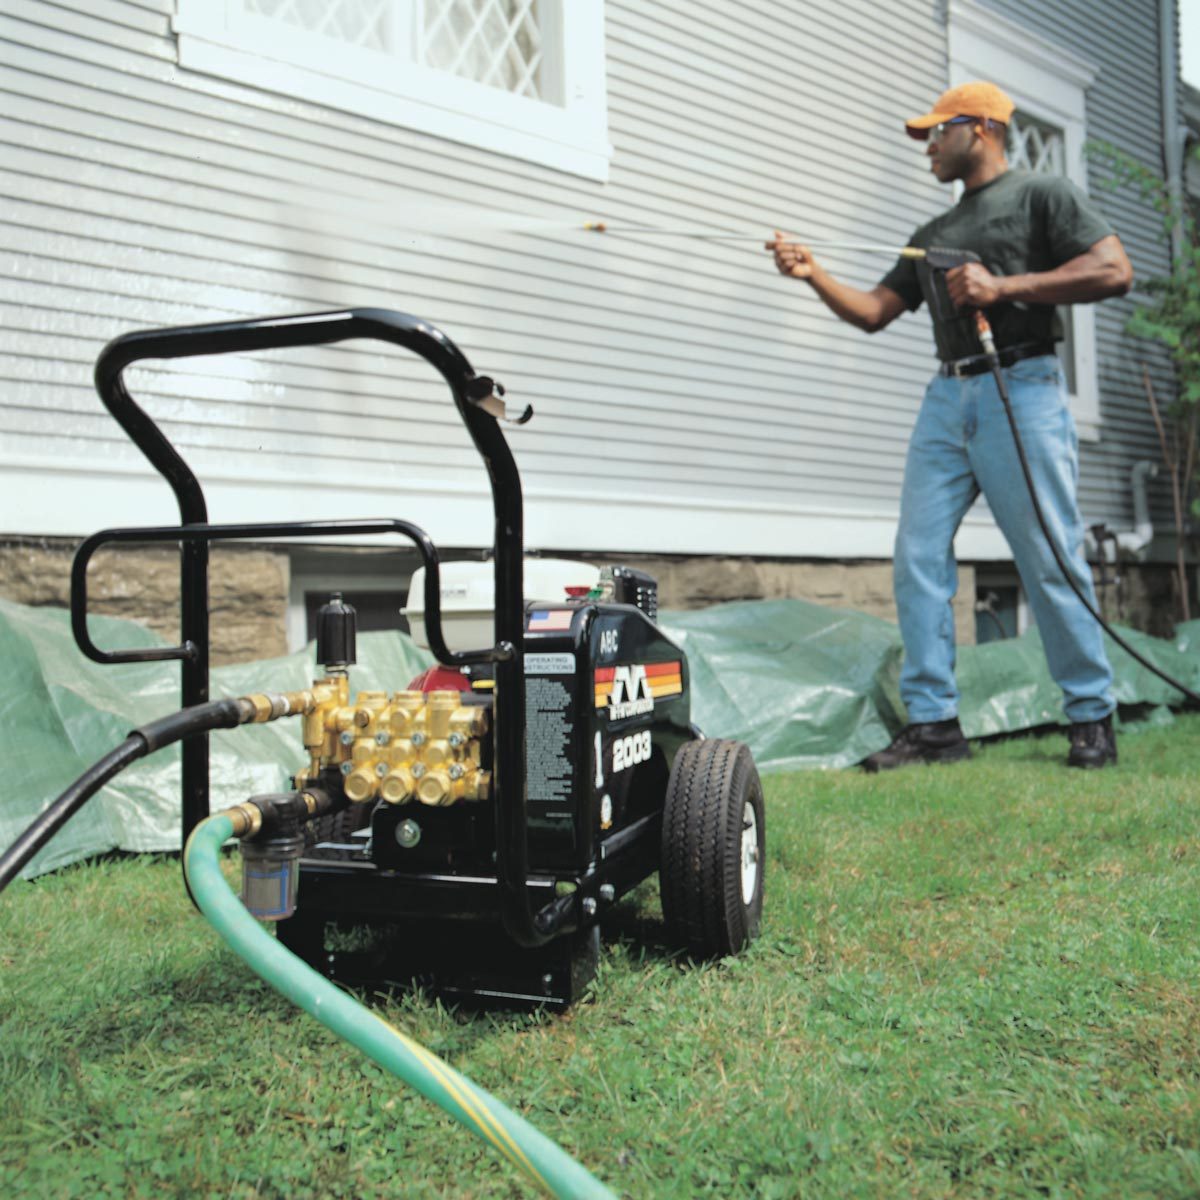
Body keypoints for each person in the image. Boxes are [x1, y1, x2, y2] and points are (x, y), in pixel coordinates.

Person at [766, 81, 1133, 771]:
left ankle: (1090, 715)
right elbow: (876, 309)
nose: (929, 145)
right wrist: (814, 274)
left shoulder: (1041, 196)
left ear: (983, 128)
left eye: (939, 131)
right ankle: (935, 725)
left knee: (1048, 556)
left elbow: (1114, 269)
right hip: (947, 397)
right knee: (918, 555)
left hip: (1020, 387)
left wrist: (1003, 288)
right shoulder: (930, 236)